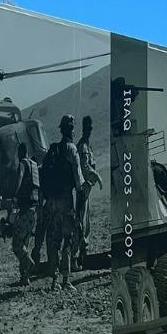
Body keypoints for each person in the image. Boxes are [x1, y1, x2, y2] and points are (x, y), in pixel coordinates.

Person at [40, 113, 84, 290]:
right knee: (68, 238)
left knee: (54, 239)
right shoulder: (72, 149)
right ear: (71, 129)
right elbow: (79, 181)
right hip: (66, 198)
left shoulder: (55, 150)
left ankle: (54, 280)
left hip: (53, 201)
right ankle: (66, 280)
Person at [10, 140, 40, 282]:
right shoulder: (34, 165)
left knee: (16, 243)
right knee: (25, 243)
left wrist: (15, 194)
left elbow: (20, 177)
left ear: (21, 152)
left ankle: (28, 263)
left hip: (25, 208)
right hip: (34, 210)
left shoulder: (23, 163)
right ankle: (25, 277)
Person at [75, 115, 101, 271]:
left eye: (90, 128)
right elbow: (84, 167)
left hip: (87, 189)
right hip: (83, 189)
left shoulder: (88, 146)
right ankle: (78, 256)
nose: (89, 131)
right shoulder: (83, 147)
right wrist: (95, 176)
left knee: (86, 223)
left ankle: (83, 254)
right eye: (87, 128)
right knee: (81, 222)